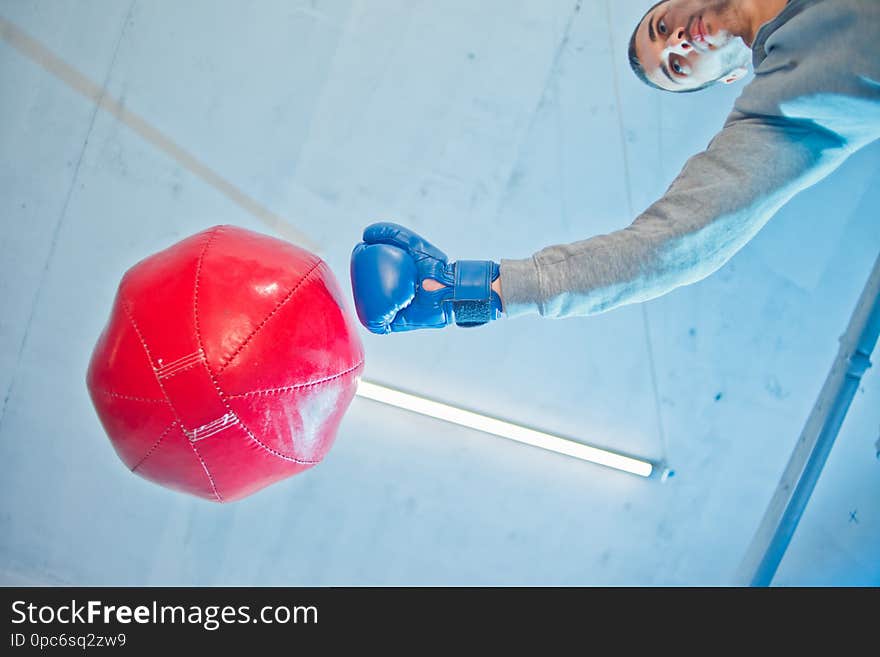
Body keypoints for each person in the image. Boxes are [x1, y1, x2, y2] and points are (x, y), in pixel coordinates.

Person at [350, 0, 880, 334]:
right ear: (727, 79)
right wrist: (475, 291)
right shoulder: (788, 108)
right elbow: (670, 247)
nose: (676, 40)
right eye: (676, 65)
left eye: (663, 24)